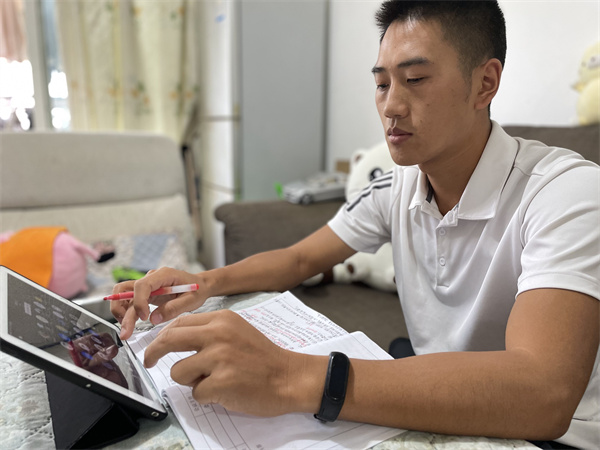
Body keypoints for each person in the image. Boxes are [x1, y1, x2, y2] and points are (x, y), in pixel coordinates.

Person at [111, 1, 599, 448]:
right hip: (441, 409)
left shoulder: (566, 192)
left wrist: (291, 376)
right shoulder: (397, 185)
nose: (391, 106)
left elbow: (544, 393)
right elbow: (299, 259)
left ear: (485, 83)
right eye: (382, 83)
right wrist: (201, 283)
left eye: (416, 79)